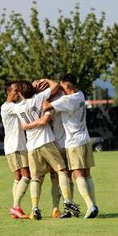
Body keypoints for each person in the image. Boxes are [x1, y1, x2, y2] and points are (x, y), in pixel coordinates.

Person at [10, 79, 81, 220]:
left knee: (36, 178)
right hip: (46, 141)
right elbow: (55, 86)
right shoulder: (40, 98)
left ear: (21, 94)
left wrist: (28, 126)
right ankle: (67, 202)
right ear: (32, 89)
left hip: (32, 147)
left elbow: (24, 125)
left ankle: (35, 208)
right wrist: (43, 83)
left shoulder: (17, 108)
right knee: (61, 171)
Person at [42, 74, 99, 219]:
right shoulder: (80, 95)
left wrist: (46, 91)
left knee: (77, 175)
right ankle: (88, 205)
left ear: (66, 85)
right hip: (85, 139)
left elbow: (46, 107)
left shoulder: (67, 100)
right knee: (87, 174)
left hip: (74, 142)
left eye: (61, 86)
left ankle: (90, 206)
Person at [1, 81, 31, 219]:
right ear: (8, 92)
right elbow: (25, 106)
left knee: (18, 178)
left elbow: (25, 116)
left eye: (19, 90)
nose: (18, 93)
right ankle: (16, 207)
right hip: (15, 147)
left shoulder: (14, 107)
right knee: (27, 175)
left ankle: (16, 209)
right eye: (15, 90)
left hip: (17, 146)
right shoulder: (8, 107)